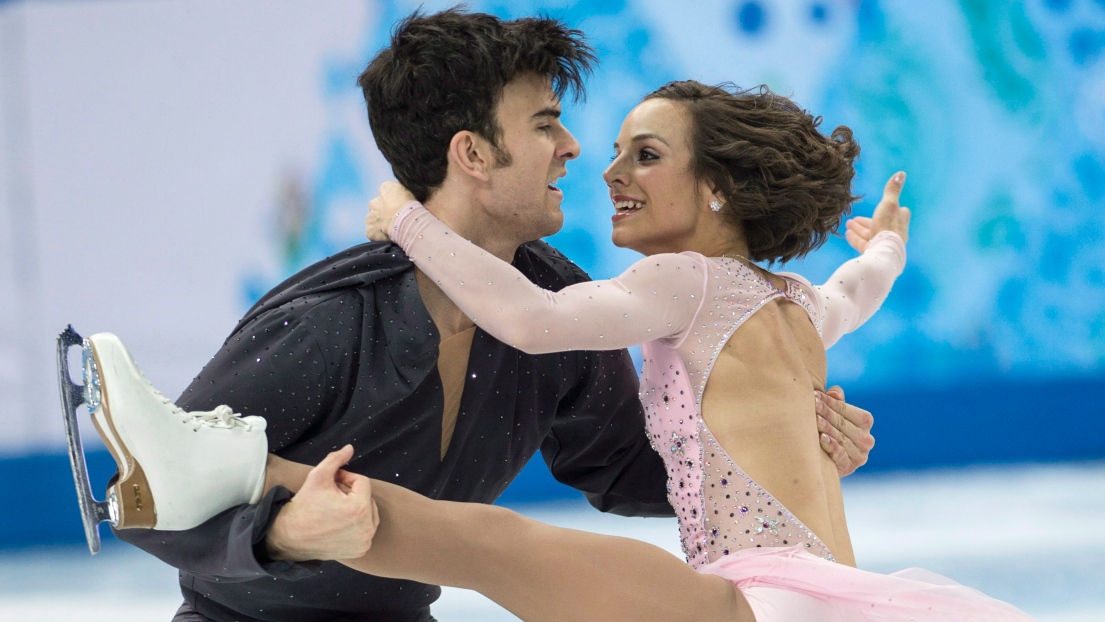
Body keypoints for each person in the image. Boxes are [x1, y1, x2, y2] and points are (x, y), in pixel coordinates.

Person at [89, 9, 874, 622]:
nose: (573, 149)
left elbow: (634, 471)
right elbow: (149, 500)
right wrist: (281, 532)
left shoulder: (557, 311)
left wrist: (780, 447)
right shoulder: (329, 321)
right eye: (544, 125)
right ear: (472, 154)